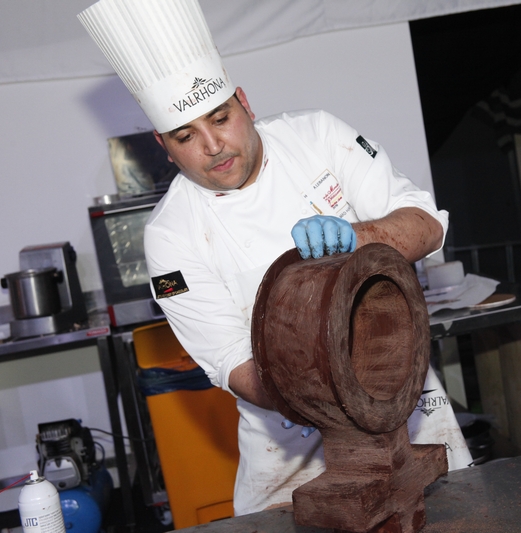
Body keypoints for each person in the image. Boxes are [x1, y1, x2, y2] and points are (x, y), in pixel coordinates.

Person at [79, 0, 472, 516]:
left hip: (406, 408)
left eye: (221, 118)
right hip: (286, 453)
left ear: (244, 102)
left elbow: (426, 223)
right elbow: (233, 364)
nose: (214, 146)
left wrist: (357, 238)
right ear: (163, 146)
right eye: (185, 137)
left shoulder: (318, 137)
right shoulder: (171, 236)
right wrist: (333, 391)